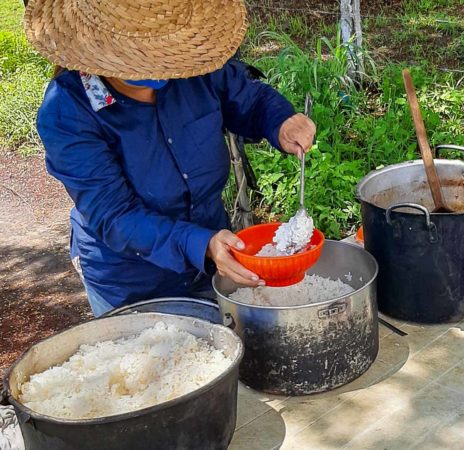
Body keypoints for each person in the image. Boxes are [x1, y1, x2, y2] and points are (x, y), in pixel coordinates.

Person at [24, 0, 315, 316]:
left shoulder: (194, 65)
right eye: (142, 58)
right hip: (132, 282)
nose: (160, 70)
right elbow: (115, 215)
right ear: (100, 51)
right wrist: (201, 244)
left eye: (162, 55)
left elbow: (248, 98)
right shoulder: (68, 111)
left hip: (214, 260)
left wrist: (281, 121)